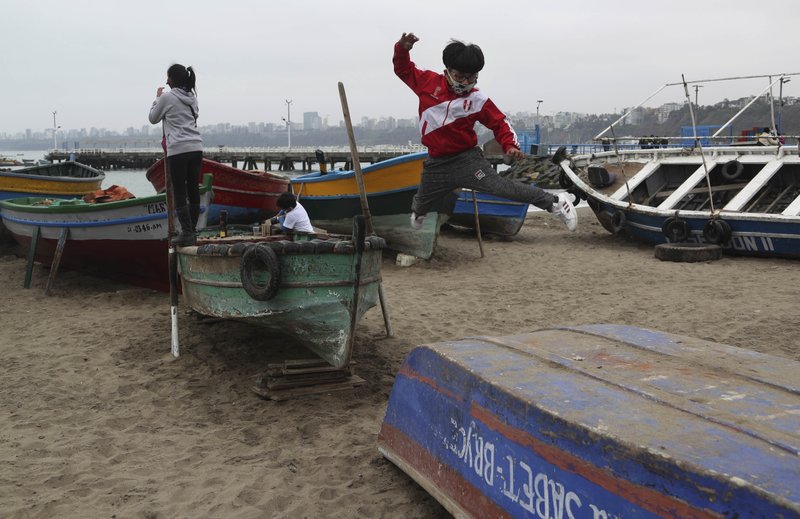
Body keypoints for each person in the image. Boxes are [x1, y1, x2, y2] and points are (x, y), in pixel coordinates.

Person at [393, 32, 577, 232]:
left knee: (499, 186)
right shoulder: (427, 82)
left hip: (467, 160)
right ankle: (421, 226)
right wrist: (402, 49)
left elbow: (500, 123)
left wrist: (510, 145)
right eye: (460, 76)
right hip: (436, 163)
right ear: (448, 71)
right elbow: (402, 69)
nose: (465, 82)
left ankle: (556, 202)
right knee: (419, 209)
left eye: (471, 77)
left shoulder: (477, 99)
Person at [148, 64, 203, 246]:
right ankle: (192, 231)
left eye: (168, 77)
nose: (166, 81)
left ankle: (186, 232)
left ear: (172, 79)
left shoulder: (166, 97)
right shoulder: (192, 97)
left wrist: (156, 99)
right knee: (193, 188)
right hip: (196, 147)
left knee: (179, 190)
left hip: (178, 149)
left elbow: (153, 118)